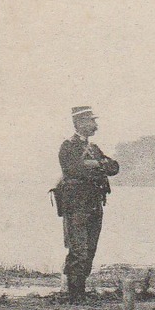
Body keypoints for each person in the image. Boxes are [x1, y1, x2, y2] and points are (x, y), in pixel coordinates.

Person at [54, 105, 119, 299]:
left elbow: (114, 167)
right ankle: (75, 294)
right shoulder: (68, 147)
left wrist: (96, 164)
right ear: (80, 123)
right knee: (78, 251)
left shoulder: (94, 149)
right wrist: (98, 166)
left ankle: (78, 290)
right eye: (92, 121)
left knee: (90, 249)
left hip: (94, 205)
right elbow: (74, 170)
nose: (95, 125)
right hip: (76, 206)